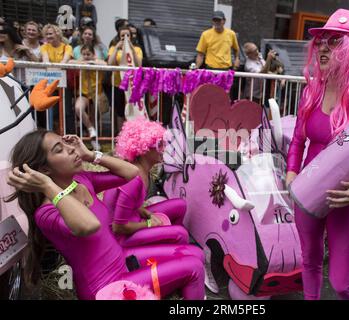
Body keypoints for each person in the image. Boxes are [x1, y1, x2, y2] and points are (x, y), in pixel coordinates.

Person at [6, 130, 205, 300]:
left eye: (67, 144)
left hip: (122, 260)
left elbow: (131, 173)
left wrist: (91, 155)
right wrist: (48, 186)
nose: (71, 149)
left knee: (195, 254)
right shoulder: (46, 213)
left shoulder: (81, 180)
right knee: (193, 268)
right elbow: (89, 225)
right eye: (60, 150)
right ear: (44, 170)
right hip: (107, 288)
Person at [285, 9, 349, 300]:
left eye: (334, 41)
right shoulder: (312, 92)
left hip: (346, 197)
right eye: (321, 41)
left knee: (342, 283)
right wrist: (292, 173)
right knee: (309, 262)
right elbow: (297, 140)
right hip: (307, 192)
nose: (322, 47)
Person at [103, 118, 188, 247]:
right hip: (119, 239)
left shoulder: (141, 170)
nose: (164, 149)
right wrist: (148, 224)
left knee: (180, 205)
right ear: (144, 149)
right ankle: (170, 252)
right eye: (160, 145)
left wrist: (148, 214)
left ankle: (166, 247)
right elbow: (117, 227)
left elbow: (132, 206)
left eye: (165, 144)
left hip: (133, 219)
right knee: (181, 234)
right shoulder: (133, 177)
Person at [69, 44, 108, 150]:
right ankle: (90, 129)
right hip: (84, 93)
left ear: (93, 54)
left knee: (95, 117)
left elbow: (104, 63)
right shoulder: (80, 61)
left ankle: (95, 142)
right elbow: (70, 62)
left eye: (88, 54)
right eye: (84, 54)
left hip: (97, 94)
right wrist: (84, 62)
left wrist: (92, 61)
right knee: (78, 108)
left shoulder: (98, 61)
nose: (86, 56)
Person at [40, 24, 75, 134]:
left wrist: (53, 66)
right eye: (46, 34)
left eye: (50, 33)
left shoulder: (67, 47)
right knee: (52, 111)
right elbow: (46, 62)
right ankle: (53, 134)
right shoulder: (44, 47)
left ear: (57, 34)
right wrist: (55, 66)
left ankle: (70, 134)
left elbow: (64, 62)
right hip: (50, 83)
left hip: (64, 83)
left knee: (67, 111)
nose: (48, 36)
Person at [107, 26, 143, 133]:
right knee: (120, 112)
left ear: (131, 37)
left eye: (127, 35)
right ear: (119, 37)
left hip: (132, 85)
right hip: (118, 84)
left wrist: (131, 48)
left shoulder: (137, 49)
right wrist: (117, 48)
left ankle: (132, 134)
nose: (125, 37)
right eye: (122, 35)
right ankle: (121, 135)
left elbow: (139, 64)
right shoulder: (114, 48)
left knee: (132, 110)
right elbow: (110, 63)